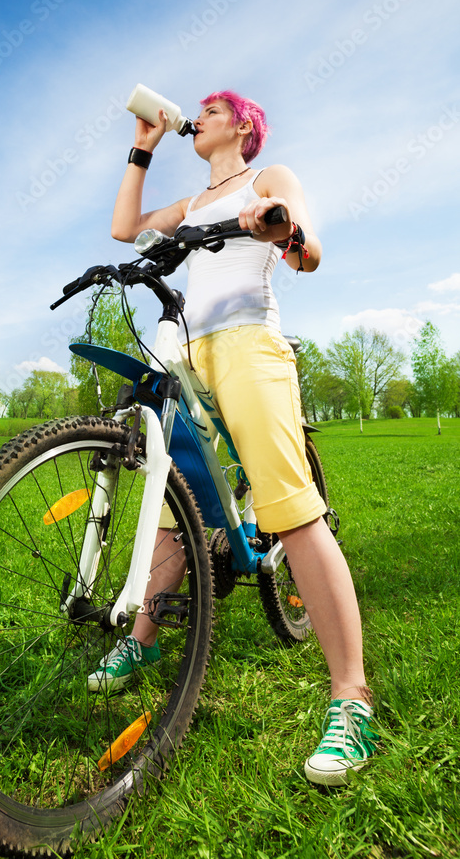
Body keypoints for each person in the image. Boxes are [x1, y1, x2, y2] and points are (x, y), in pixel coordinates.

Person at [86, 89, 378, 787]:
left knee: (290, 508)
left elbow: (306, 250)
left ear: (243, 127)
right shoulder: (189, 206)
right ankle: (141, 641)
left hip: (248, 342)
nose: (201, 116)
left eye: (213, 109)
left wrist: (275, 225)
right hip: (188, 351)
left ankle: (352, 698)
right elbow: (125, 228)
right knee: (169, 500)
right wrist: (144, 146)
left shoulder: (265, 176)